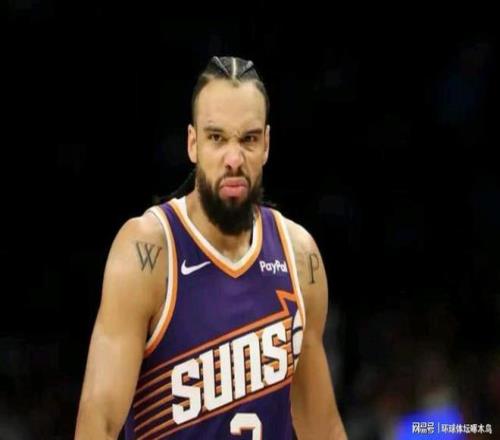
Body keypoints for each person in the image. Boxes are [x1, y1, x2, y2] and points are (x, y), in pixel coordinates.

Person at [75, 56, 347, 440]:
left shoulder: (299, 256)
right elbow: (98, 422)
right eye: (217, 138)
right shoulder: (149, 251)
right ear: (193, 144)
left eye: (248, 139)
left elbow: (322, 427)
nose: (234, 159)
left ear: (266, 145)